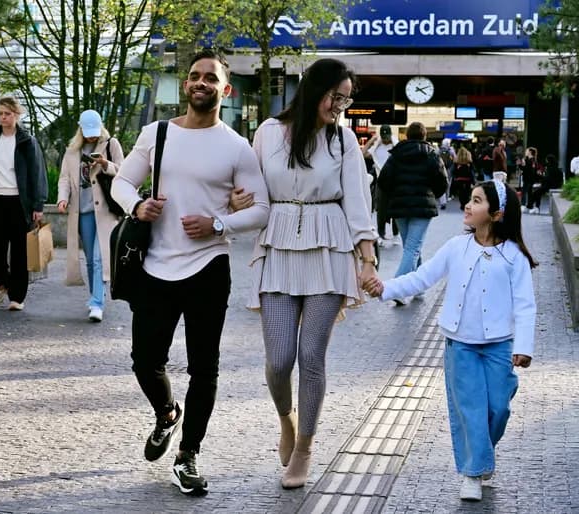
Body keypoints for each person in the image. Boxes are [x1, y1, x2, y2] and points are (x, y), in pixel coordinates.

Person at [111, 49, 270, 496]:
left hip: (208, 268)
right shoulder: (156, 134)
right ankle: (166, 413)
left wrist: (219, 224)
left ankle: (188, 455)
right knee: (145, 361)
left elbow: (261, 208)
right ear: (187, 85)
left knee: (205, 369)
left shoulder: (236, 146)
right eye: (194, 76)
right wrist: (137, 205)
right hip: (155, 266)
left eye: (210, 78)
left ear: (226, 89)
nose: (201, 83)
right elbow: (121, 182)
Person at [247, 58, 378, 490]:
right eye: (335, 96)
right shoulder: (267, 133)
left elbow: (358, 203)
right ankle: (287, 419)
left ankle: (304, 447)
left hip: (329, 247)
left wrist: (367, 260)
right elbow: (251, 191)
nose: (340, 105)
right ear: (314, 90)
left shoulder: (343, 141)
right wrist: (234, 204)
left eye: (346, 98)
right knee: (279, 359)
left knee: (311, 357)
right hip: (278, 245)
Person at [364, 180, 537, 502]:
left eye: (476, 201)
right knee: (471, 408)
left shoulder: (514, 257)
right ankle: (472, 473)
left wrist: (524, 346)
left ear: (497, 214)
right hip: (460, 344)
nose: (467, 206)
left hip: (499, 344)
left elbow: (526, 305)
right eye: (469, 199)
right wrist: (384, 288)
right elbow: (422, 277)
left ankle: (481, 455)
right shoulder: (457, 247)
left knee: (498, 408)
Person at [0, 96, 47, 312]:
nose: (3, 117)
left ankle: (17, 297)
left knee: (19, 253)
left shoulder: (26, 141)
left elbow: (37, 174)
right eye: (0, 114)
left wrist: (38, 205)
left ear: (16, 114)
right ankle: (2, 283)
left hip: (19, 203)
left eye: (7, 114)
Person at [55, 110, 124, 322]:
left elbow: (124, 172)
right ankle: (97, 294)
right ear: (81, 130)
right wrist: (62, 198)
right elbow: (65, 179)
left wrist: (105, 164)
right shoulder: (72, 150)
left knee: (98, 256)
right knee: (89, 260)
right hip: (82, 210)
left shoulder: (111, 144)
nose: (92, 137)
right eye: (88, 133)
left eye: (94, 132)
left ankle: (97, 304)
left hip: (103, 211)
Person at [377, 121, 448, 306]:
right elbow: (442, 181)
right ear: (425, 136)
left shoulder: (396, 154)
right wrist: (433, 193)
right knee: (413, 248)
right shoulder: (431, 154)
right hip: (422, 207)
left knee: (411, 246)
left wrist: (396, 192)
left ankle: (419, 286)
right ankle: (398, 289)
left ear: (407, 135)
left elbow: (383, 180)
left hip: (399, 207)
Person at [362, 125, 398, 241]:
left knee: (395, 208)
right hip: (381, 182)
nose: (385, 139)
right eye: (383, 136)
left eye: (387, 137)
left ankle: (395, 234)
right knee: (380, 209)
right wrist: (371, 140)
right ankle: (381, 234)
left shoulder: (396, 146)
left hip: (394, 182)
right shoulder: (376, 147)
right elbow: (362, 154)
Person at [451, 146, 476, 210]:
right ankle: (467, 203)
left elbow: (453, 171)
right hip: (468, 179)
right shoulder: (469, 162)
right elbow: (472, 171)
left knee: (461, 193)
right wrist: (473, 181)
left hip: (459, 179)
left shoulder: (456, 162)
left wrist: (455, 177)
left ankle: (462, 204)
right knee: (467, 192)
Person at [520, 147, 542, 214]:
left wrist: (523, 164)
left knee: (524, 192)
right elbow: (525, 169)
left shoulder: (531, 160)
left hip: (528, 179)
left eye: (527, 151)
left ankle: (523, 205)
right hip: (529, 178)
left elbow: (528, 170)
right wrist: (521, 165)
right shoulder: (530, 159)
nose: (525, 152)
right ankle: (529, 206)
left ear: (530, 152)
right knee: (529, 193)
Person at [438, 138, 456, 209]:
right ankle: (447, 196)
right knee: (448, 184)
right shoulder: (451, 151)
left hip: (441, 169)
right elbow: (455, 159)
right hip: (449, 170)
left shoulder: (439, 150)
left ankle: (443, 200)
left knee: (441, 184)